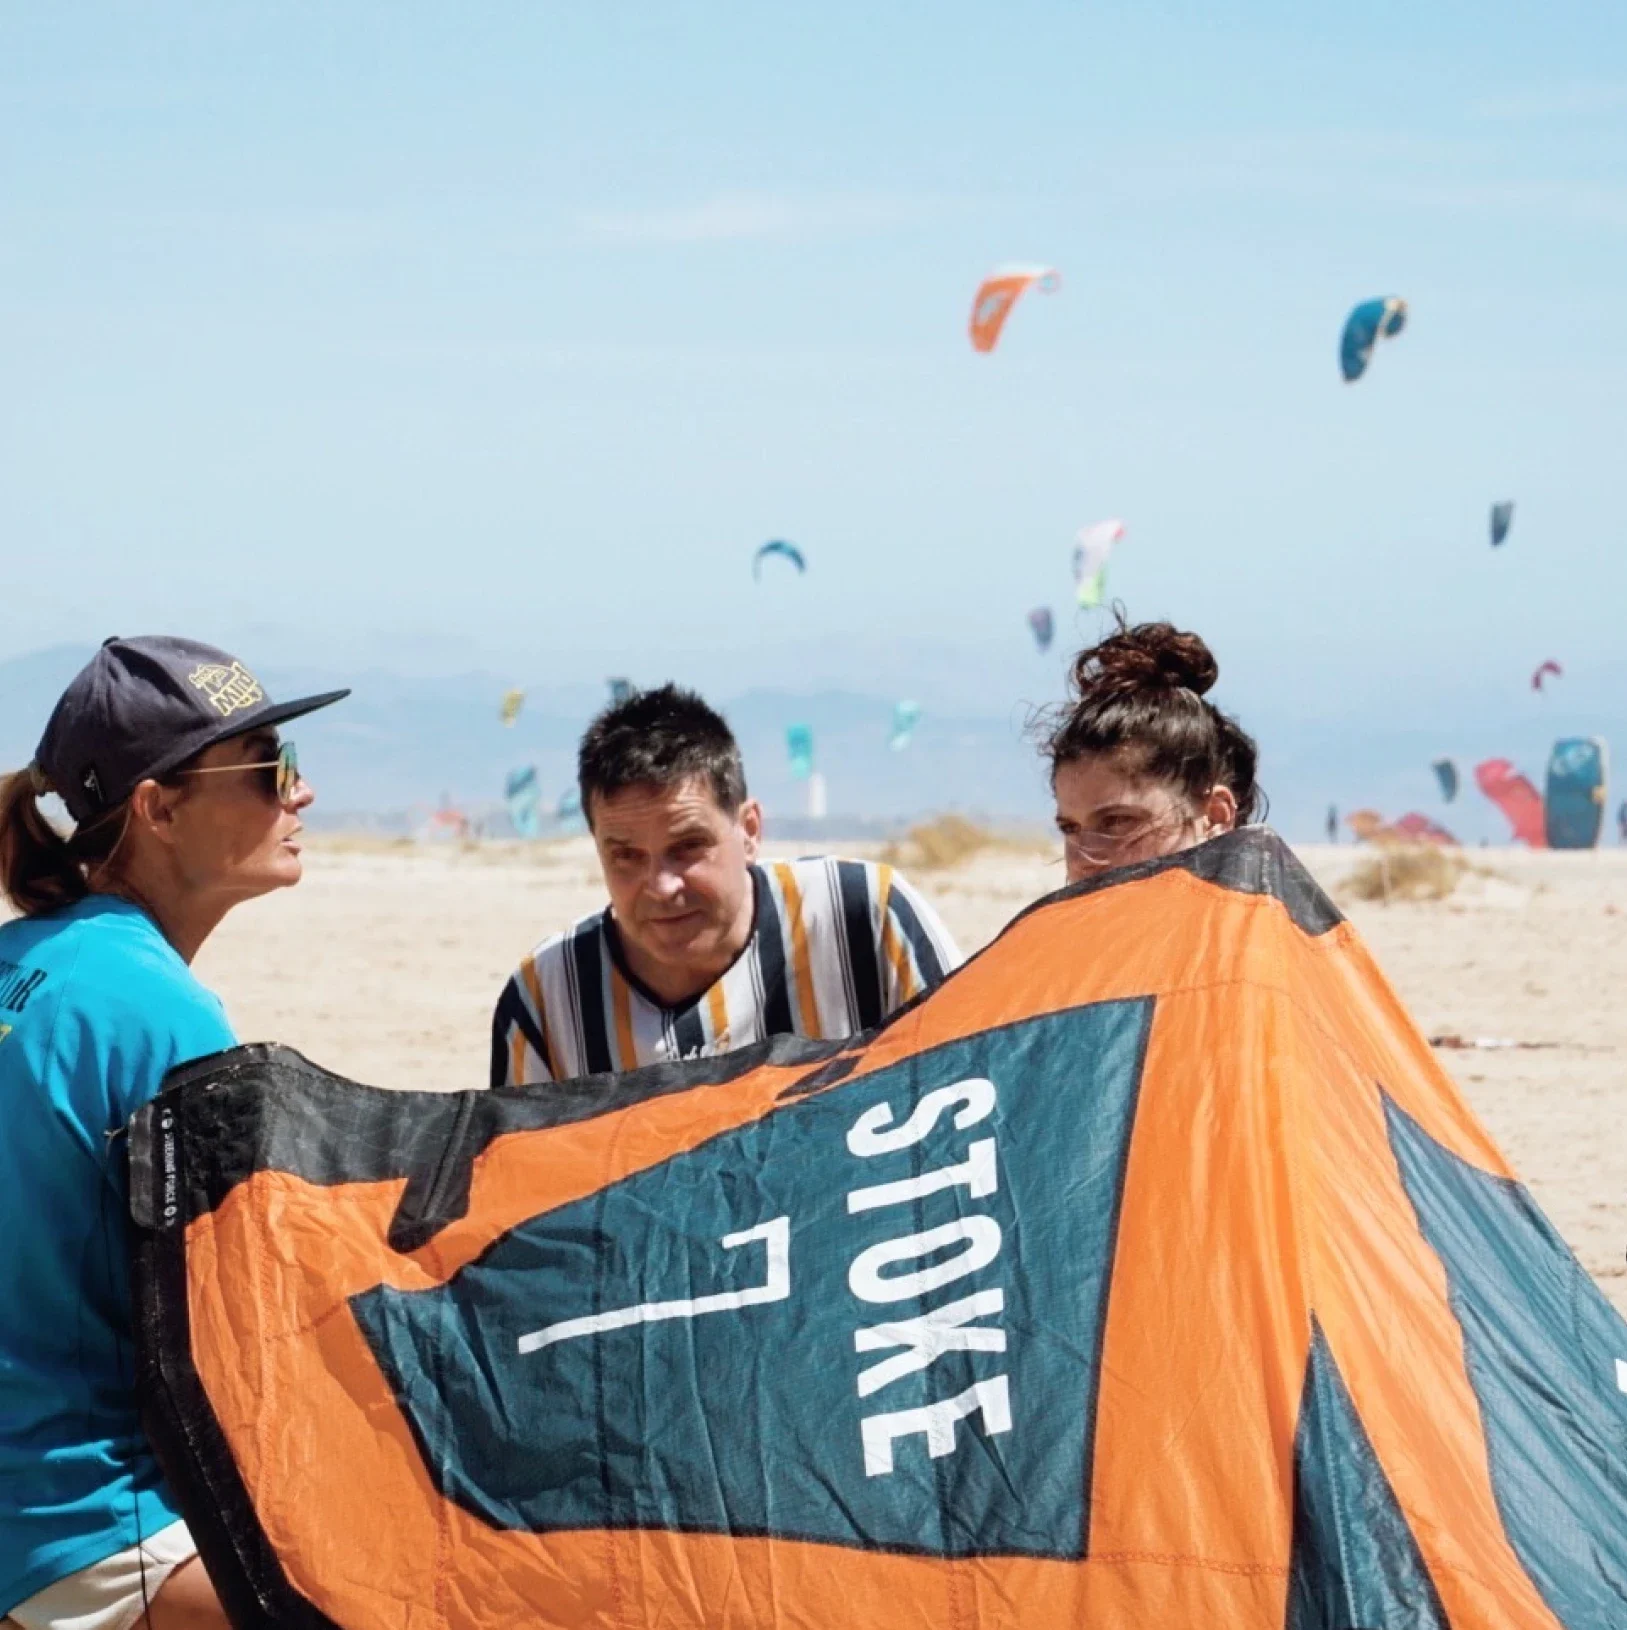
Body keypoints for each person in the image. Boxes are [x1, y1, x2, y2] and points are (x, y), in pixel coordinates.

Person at [0, 637, 347, 1630]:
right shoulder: (161, 1013)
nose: (303, 792)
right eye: (269, 768)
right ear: (157, 807)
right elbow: (253, 1328)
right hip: (84, 1523)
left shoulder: (23, 962)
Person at [491, 684, 961, 1085]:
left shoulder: (867, 918)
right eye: (627, 856)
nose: (662, 885)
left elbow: (978, 1081)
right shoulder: (546, 1001)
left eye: (688, 846)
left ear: (749, 830)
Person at [1043, 619, 1262, 884]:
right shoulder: (1056, 925)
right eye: (1070, 828)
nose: (1083, 862)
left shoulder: (1278, 924)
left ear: (1215, 816)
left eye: (1116, 822)